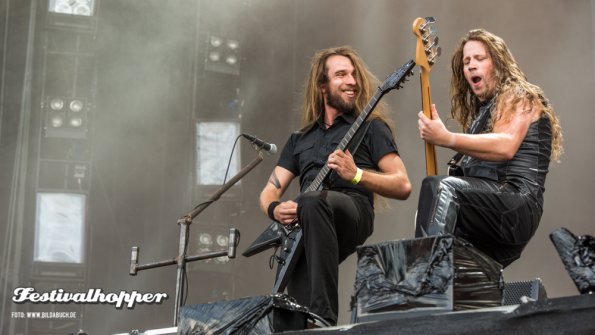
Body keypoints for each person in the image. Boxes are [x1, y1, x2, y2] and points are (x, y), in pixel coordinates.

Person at [259, 46, 411, 326]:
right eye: (341, 75)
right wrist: (274, 209)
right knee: (291, 309)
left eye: (354, 74)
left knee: (312, 201)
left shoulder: (371, 127)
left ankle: (325, 320)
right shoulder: (299, 139)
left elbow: (402, 185)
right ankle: (305, 324)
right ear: (322, 87)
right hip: (309, 224)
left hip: (352, 211)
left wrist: (356, 175)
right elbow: (269, 191)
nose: (352, 81)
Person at [416, 29, 563, 268]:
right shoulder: (482, 116)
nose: (471, 66)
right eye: (466, 61)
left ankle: (425, 278)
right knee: (434, 213)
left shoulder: (519, 95)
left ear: (498, 62)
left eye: (479, 58)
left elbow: (506, 146)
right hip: (493, 223)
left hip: (516, 204)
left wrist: (446, 137)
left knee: (440, 188)